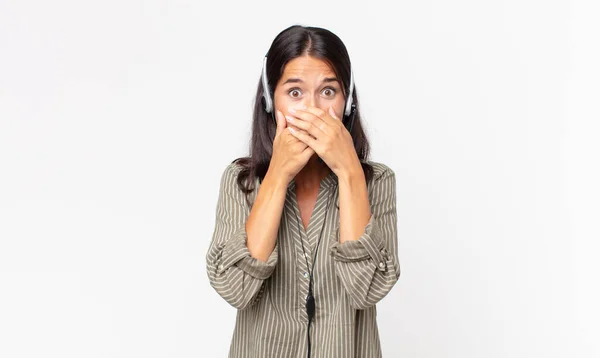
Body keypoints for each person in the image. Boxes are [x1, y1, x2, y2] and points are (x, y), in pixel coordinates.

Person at [206, 24, 401, 358]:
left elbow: (367, 289)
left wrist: (349, 171)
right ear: (270, 101)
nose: (313, 109)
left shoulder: (376, 182)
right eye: (295, 93)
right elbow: (234, 288)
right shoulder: (242, 182)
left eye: (328, 92)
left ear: (347, 102)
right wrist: (278, 175)